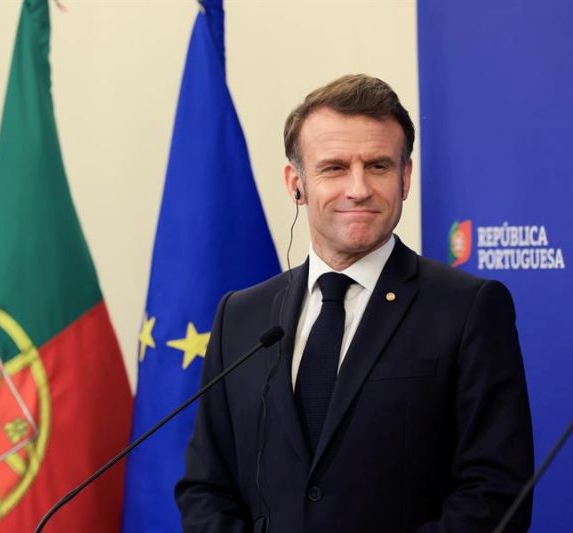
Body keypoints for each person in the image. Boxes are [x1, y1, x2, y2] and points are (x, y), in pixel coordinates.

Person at [175, 74, 533, 532]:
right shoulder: (241, 317)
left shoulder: (469, 310)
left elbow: (496, 493)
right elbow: (205, 487)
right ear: (296, 183)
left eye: (379, 166)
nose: (358, 188)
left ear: (405, 178)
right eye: (334, 167)